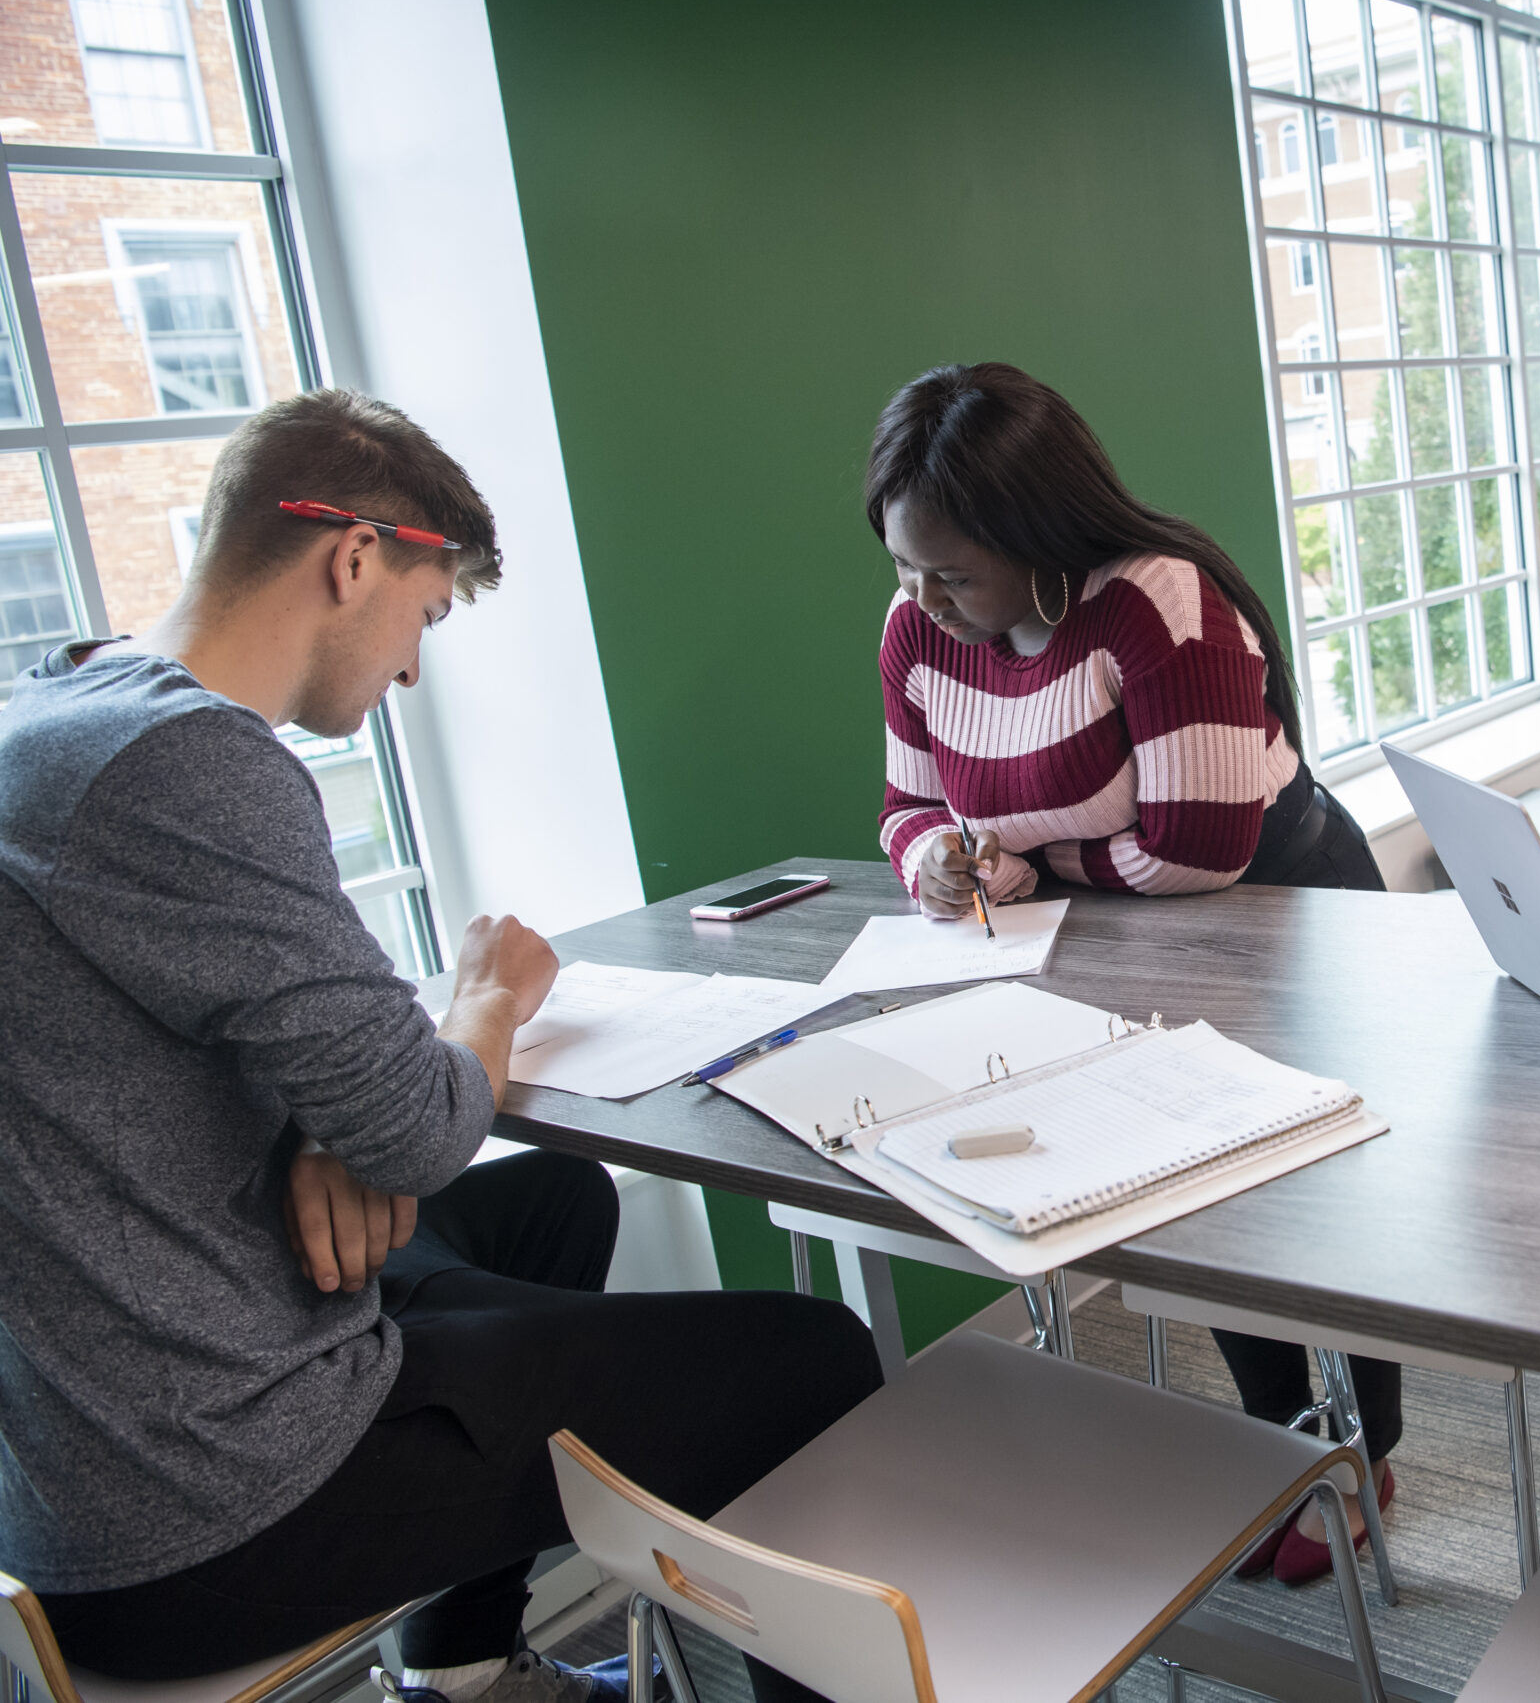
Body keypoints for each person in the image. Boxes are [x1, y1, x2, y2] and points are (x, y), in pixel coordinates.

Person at [0, 391, 881, 1703]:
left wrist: (322, 1120)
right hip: (211, 1500)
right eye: (428, 611)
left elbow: (268, 1034)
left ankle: (462, 1658)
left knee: (554, 1202)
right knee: (810, 1357)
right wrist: (485, 994)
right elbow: (417, 1124)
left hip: (96, 1440)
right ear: (353, 557)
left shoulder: (62, 707)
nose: (413, 668)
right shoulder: (193, 762)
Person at [868, 361, 1397, 1586]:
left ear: (1035, 532)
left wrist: (1031, 860)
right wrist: (940, 862)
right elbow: (903, 803)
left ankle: (1365, 1452)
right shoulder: (916, 631)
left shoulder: (1160, 601)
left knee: (1308, 1210)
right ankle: (1287, 1439)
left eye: (951, 571)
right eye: (903, 566)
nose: (922, 601)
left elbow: (1197, 848)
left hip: (1285, 915)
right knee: (1186, 1196)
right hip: (1111, 940)